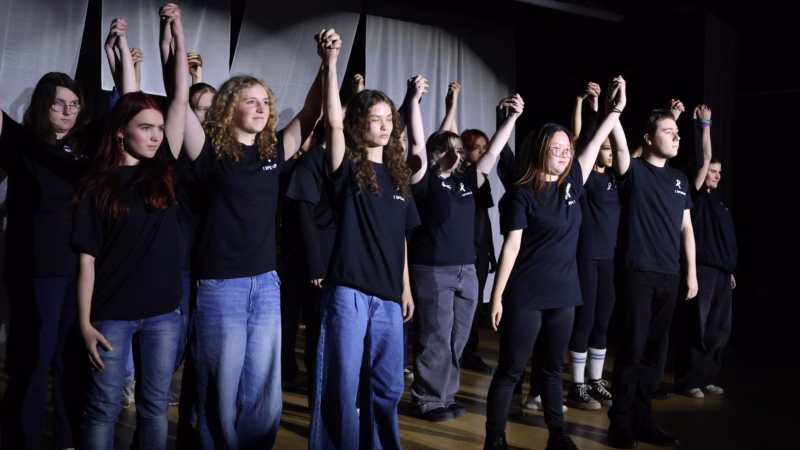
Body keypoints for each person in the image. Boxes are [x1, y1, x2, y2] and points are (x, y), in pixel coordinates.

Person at [180, 22, 329, 448]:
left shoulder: (272, 153)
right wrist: (176, 44)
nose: (263, 108)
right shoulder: (208, 153)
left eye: (266, 101)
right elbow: (179, 107)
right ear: (229, 108)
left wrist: (325, 64)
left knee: (265, 392)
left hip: (266, 283)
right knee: (219, 392)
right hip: (220, 286)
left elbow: (309, 115)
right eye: (252, 101)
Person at [485, 76, 628, 450]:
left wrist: (615, 109)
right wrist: (497, 297)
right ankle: (495, 439)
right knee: (510, 371)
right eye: (558, 148)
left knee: (551, 370)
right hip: (526, 295)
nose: (566, 153)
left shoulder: (573, 184)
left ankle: (558, 435)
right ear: (540, 150)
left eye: (568, 148)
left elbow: (596, 139)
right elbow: (511, 248)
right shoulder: (523, 195)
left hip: (564, 296)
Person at [71, 5, 189, 448]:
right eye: (146, 128)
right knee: (102, 408)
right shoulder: (97, 185)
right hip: (112, 317)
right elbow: (86, 261)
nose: (157, 135)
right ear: (122, 132)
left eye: (160, 128)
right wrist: (84, 323)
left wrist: (176, 32)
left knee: (155, 407)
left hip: (163, 314)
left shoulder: (163, 172)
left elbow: (178, 96)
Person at [0, 22, 116, 450]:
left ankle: (68, 440)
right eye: (58, 104)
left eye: (73, 104)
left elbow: (128, 113)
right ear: (41, 107)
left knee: (75, 361)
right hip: (37, 270)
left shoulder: (86, 150)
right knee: (33, 363)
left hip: (82, 269)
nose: (68, 111)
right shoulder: (21, 142)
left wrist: (114, 54)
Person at [309, 32, 419, 449]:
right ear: (360, 124)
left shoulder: (399, 177)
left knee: (387, 390)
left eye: (389, 118)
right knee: (339, 388)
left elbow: (401, 238)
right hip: (349, 293)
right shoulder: (349, 167)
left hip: (389, 298)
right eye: (376, 118)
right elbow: (333, 122)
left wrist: (405, 288)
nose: (385, 125)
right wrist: (331, 61)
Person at [406, 75, 523, 423]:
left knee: (457, 339)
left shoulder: (468, 181)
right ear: (437, 153)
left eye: (461, 148)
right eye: (451, 148)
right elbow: (415, 143)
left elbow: (494, 152)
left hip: (466, 271)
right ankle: (426, 400)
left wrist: (512, 119)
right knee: (435, 337)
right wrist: (413, 100)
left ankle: (445, 394)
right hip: (432, 271)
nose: (459, 154)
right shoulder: (424, 181)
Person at [606, 99, 699, 448]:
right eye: (668, 131)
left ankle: (644, 421)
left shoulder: (679, 179)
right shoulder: (634, 171)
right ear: (647, 138)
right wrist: (616, 109)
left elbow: (686, 229)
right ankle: (620, 423)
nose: (676, 137)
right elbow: (617, 142)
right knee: (631, 350)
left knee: (654, 356)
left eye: (677, 133)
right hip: (637, 273)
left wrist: (690, 274)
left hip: (669, 276)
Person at [673, 105, 737, 398]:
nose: (715, 174)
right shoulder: (694, 197)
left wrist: (730, 270)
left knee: (718, 330)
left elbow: (724, 240)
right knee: (695, 328)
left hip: (722, 273)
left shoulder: (720, 205)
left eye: (719, 172)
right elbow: (704, 158)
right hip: (701, 270)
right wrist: (705, 125)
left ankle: (706, 376)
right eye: (712, 171)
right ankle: (688, 380)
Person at [566, 81, 617, 411]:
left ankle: (595, 379)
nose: (611, 154)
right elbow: (583, 138)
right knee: (583, 322)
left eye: (613, 150)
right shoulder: (585, 178)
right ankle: (577, 384)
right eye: (607, 149)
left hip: (608, 259)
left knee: (602, 321)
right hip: (585, 257)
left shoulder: (616, 179)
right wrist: (586, 105)